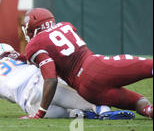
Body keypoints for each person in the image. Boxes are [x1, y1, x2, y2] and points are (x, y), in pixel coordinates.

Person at [17, 7, 153, 119]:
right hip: (96, 68)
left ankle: (148, 110)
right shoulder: (65, 26)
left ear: (33, 27)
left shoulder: (35, 46)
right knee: (148, 67)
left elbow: (50, 66)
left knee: (136, 102)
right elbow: (51, 79)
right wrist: (40, 113)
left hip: (87, 91)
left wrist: (39, 113)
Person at [0, 43, 135, 119]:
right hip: (44, 87)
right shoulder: (23, 60)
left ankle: (80, 114)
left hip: (31, 106)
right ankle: (101, 109)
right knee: (87, 98)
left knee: (68, 115)